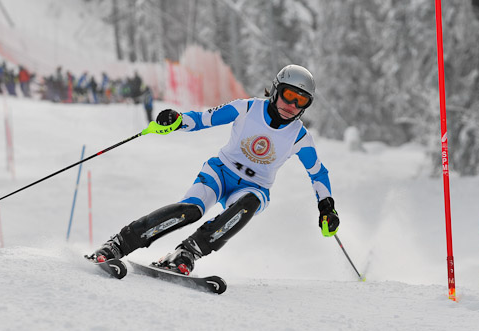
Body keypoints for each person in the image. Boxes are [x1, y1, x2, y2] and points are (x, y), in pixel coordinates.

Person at [87, 65, 340, 275]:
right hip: (219, 173)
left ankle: (187, 252)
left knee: (249, 203)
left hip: (254, 187)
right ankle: (118, 244)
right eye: (288, 95)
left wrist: (326, 206)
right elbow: (202, 119)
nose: (292, 105)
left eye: (301, 101)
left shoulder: (300, 136)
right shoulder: (247, 108)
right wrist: (176, 120)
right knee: (190, 211)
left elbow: (318, 173)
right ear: (276, 90)